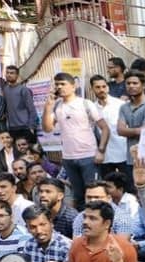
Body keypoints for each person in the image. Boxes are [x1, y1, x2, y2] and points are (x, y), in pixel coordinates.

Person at [42, 72, 110, 210]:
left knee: (94, 193)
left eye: (63, 84)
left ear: (73, 87)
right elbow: (47, 128)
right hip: (68, 158)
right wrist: (47, 107)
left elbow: (105, 129)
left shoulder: (85, 104)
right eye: (57, 84)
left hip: (89, 156)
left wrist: (101, 151)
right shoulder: (57, 106)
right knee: (78, 195)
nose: (60, 87)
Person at [117, 69, 145, 188]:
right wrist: (137, 130)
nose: (131, 86)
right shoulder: (124, 107)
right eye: (128, 83)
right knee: (136, 194)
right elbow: (120, 130)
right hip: (131, 159)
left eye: (135, 83)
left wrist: (129, 131)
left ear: (144, 85)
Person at [90, 74, 127, 178]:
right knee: (108, 186)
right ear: (92, 89)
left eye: (104, 86)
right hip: (104, 155)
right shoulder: (91, 108)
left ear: (108, 87)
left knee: (128, 185)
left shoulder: (120, 104)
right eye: (97, 87)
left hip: (122, 151)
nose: (101, 90)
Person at [2, 65, 37, 144]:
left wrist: (31, 127)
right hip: (12, 129)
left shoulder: (23, 89)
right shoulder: (5, 90)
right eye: (7, 73)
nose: (9, 75)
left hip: (25, 127)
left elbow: (31, 109)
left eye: (12, 73)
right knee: (17, 154)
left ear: (17, 75)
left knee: (30, 153)